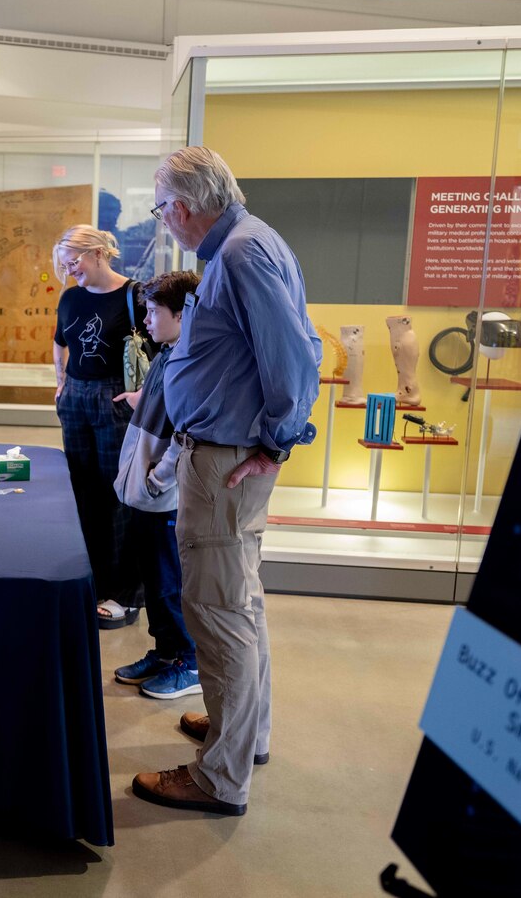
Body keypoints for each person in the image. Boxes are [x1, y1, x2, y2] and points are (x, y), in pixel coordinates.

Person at [131, 147, 320, 816]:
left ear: (183, 206)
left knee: (217, 610)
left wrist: (275, 442)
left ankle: (220, 776)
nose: (162, 220)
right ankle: (243, 732)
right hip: (226, 455)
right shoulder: (247, 244)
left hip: (224, 461)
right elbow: (295, 344)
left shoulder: (240, 253)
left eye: (160, 208)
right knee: (237, 602)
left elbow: (295, 357)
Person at [50, 225, 149, 628]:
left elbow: (162, 347)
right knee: (82, 490)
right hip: (76, 397)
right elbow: (60, 341)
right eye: (63, 265)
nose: (69, 270)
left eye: (73, 261)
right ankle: (93, 581)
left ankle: (127, 593)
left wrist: (143, 395)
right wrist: (60, 382)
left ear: (97, 253)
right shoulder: (71, 297)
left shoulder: (134, 295)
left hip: (115, 398)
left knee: (119, 494)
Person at [111, 271, 201, 700]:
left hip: (164, 498)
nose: (146, 321)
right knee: (153, 580)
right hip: (148, 496)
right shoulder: (167, 353)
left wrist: (156, 480)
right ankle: (166, 653)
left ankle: (189, 662)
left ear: (182, 314)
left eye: (153, 311)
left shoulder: (190, 362)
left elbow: (186, 435)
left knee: (168, 585)